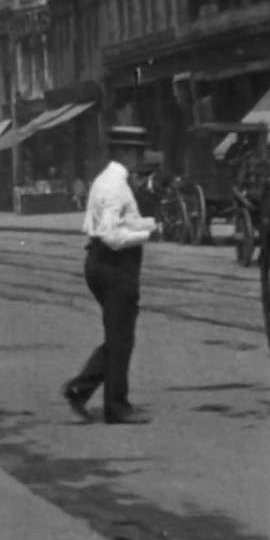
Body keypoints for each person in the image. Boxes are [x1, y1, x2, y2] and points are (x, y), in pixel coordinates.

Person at [61, 125, 158, 426]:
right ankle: (115, 406)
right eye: (136, 152)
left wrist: (149, 223)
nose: (140, 157)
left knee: (119, 336)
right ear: (124, 152)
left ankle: (81, 389)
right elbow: (111, 235)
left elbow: (123, 221)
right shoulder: (116, 185)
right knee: (121, 338)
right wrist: (147, 234)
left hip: (103, 263)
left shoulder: (108, 179)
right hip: (114, 265)